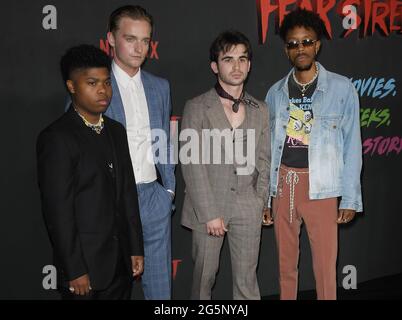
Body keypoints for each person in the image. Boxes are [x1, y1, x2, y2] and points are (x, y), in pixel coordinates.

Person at [264, 8, 363, 300]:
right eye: (293, 44)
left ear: (317, 44)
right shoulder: (275, 93)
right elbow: (267, 149)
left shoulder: (342, 89)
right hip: (283, 185)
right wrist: (267, 196)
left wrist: (350, 197)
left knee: (324, 267)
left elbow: (352, 146)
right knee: (285, 266)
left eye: (306, 42)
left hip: (322, 186)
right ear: (286, 49)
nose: (300, 49)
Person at [37, 44, 144, 300]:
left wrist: (135, 248)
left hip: (120, 264)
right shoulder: (57, 138)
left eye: (107, 83)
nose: (102, 91)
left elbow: (127, 194)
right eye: (92, 83)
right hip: (84, 270)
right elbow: (58, 212)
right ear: (72, 86)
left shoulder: (116, 131)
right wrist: (74, 269)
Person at [181, 30, 270, 299]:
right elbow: (191, 163)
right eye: (228, 59)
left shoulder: (260, 109)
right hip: (208, 207)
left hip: (248, 206)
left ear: (249, 65)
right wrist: (209, 212)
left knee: (247, 281)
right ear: (214, 65)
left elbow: (265, 159)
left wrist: (260, 201)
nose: (237, 66)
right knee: (203, 281)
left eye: (243, 59)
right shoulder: (196, 107)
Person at [106, 5, 175, 299]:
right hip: (112, 203)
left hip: (154, 198)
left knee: (160, 292)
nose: (139, 48)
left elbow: (164, 140)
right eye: (130, 38)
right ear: (111, 39)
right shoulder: (96, 86)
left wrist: (168, 189)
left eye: (145, 40)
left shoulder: (160, 87)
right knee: (112, 289)